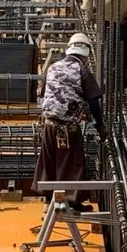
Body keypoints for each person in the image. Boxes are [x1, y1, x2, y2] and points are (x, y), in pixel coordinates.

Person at [33, 32, 106, 203]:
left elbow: (45, 93)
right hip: (67, 129)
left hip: (49, 125)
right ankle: (71, 202)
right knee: (73, 163)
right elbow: (94, 102)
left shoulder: (53, 67)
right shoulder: (82, 70)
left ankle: (49, 196)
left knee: (49, 161)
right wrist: (100, 126)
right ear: (86, 55)